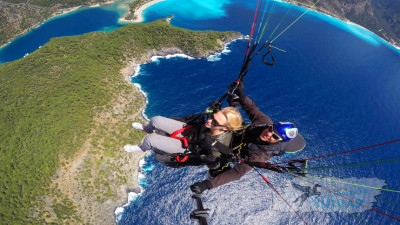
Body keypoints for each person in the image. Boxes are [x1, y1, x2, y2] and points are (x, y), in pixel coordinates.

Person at [190, 82, 306, 194]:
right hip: (242, 134)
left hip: (235, 148)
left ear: (278, 141)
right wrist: (242, 95)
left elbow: (237, 173)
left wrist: (207, 185)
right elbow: (252, 109)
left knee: (213, 158)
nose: (269, 133)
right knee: (231, 119)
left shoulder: (259, 156)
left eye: (274, 136)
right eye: (271, 129)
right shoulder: (264, 123)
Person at [124, 107, 243, 166]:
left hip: (189, 147)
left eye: (215, 123)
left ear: (225, 129)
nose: (210, 121)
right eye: (212, 116)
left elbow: (214, 163)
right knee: (156, 120)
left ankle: (143, 148)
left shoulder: (217, 147)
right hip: (193, 132)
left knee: (150, 140)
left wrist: (209, 161)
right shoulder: (219, 123)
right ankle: (147, 129)